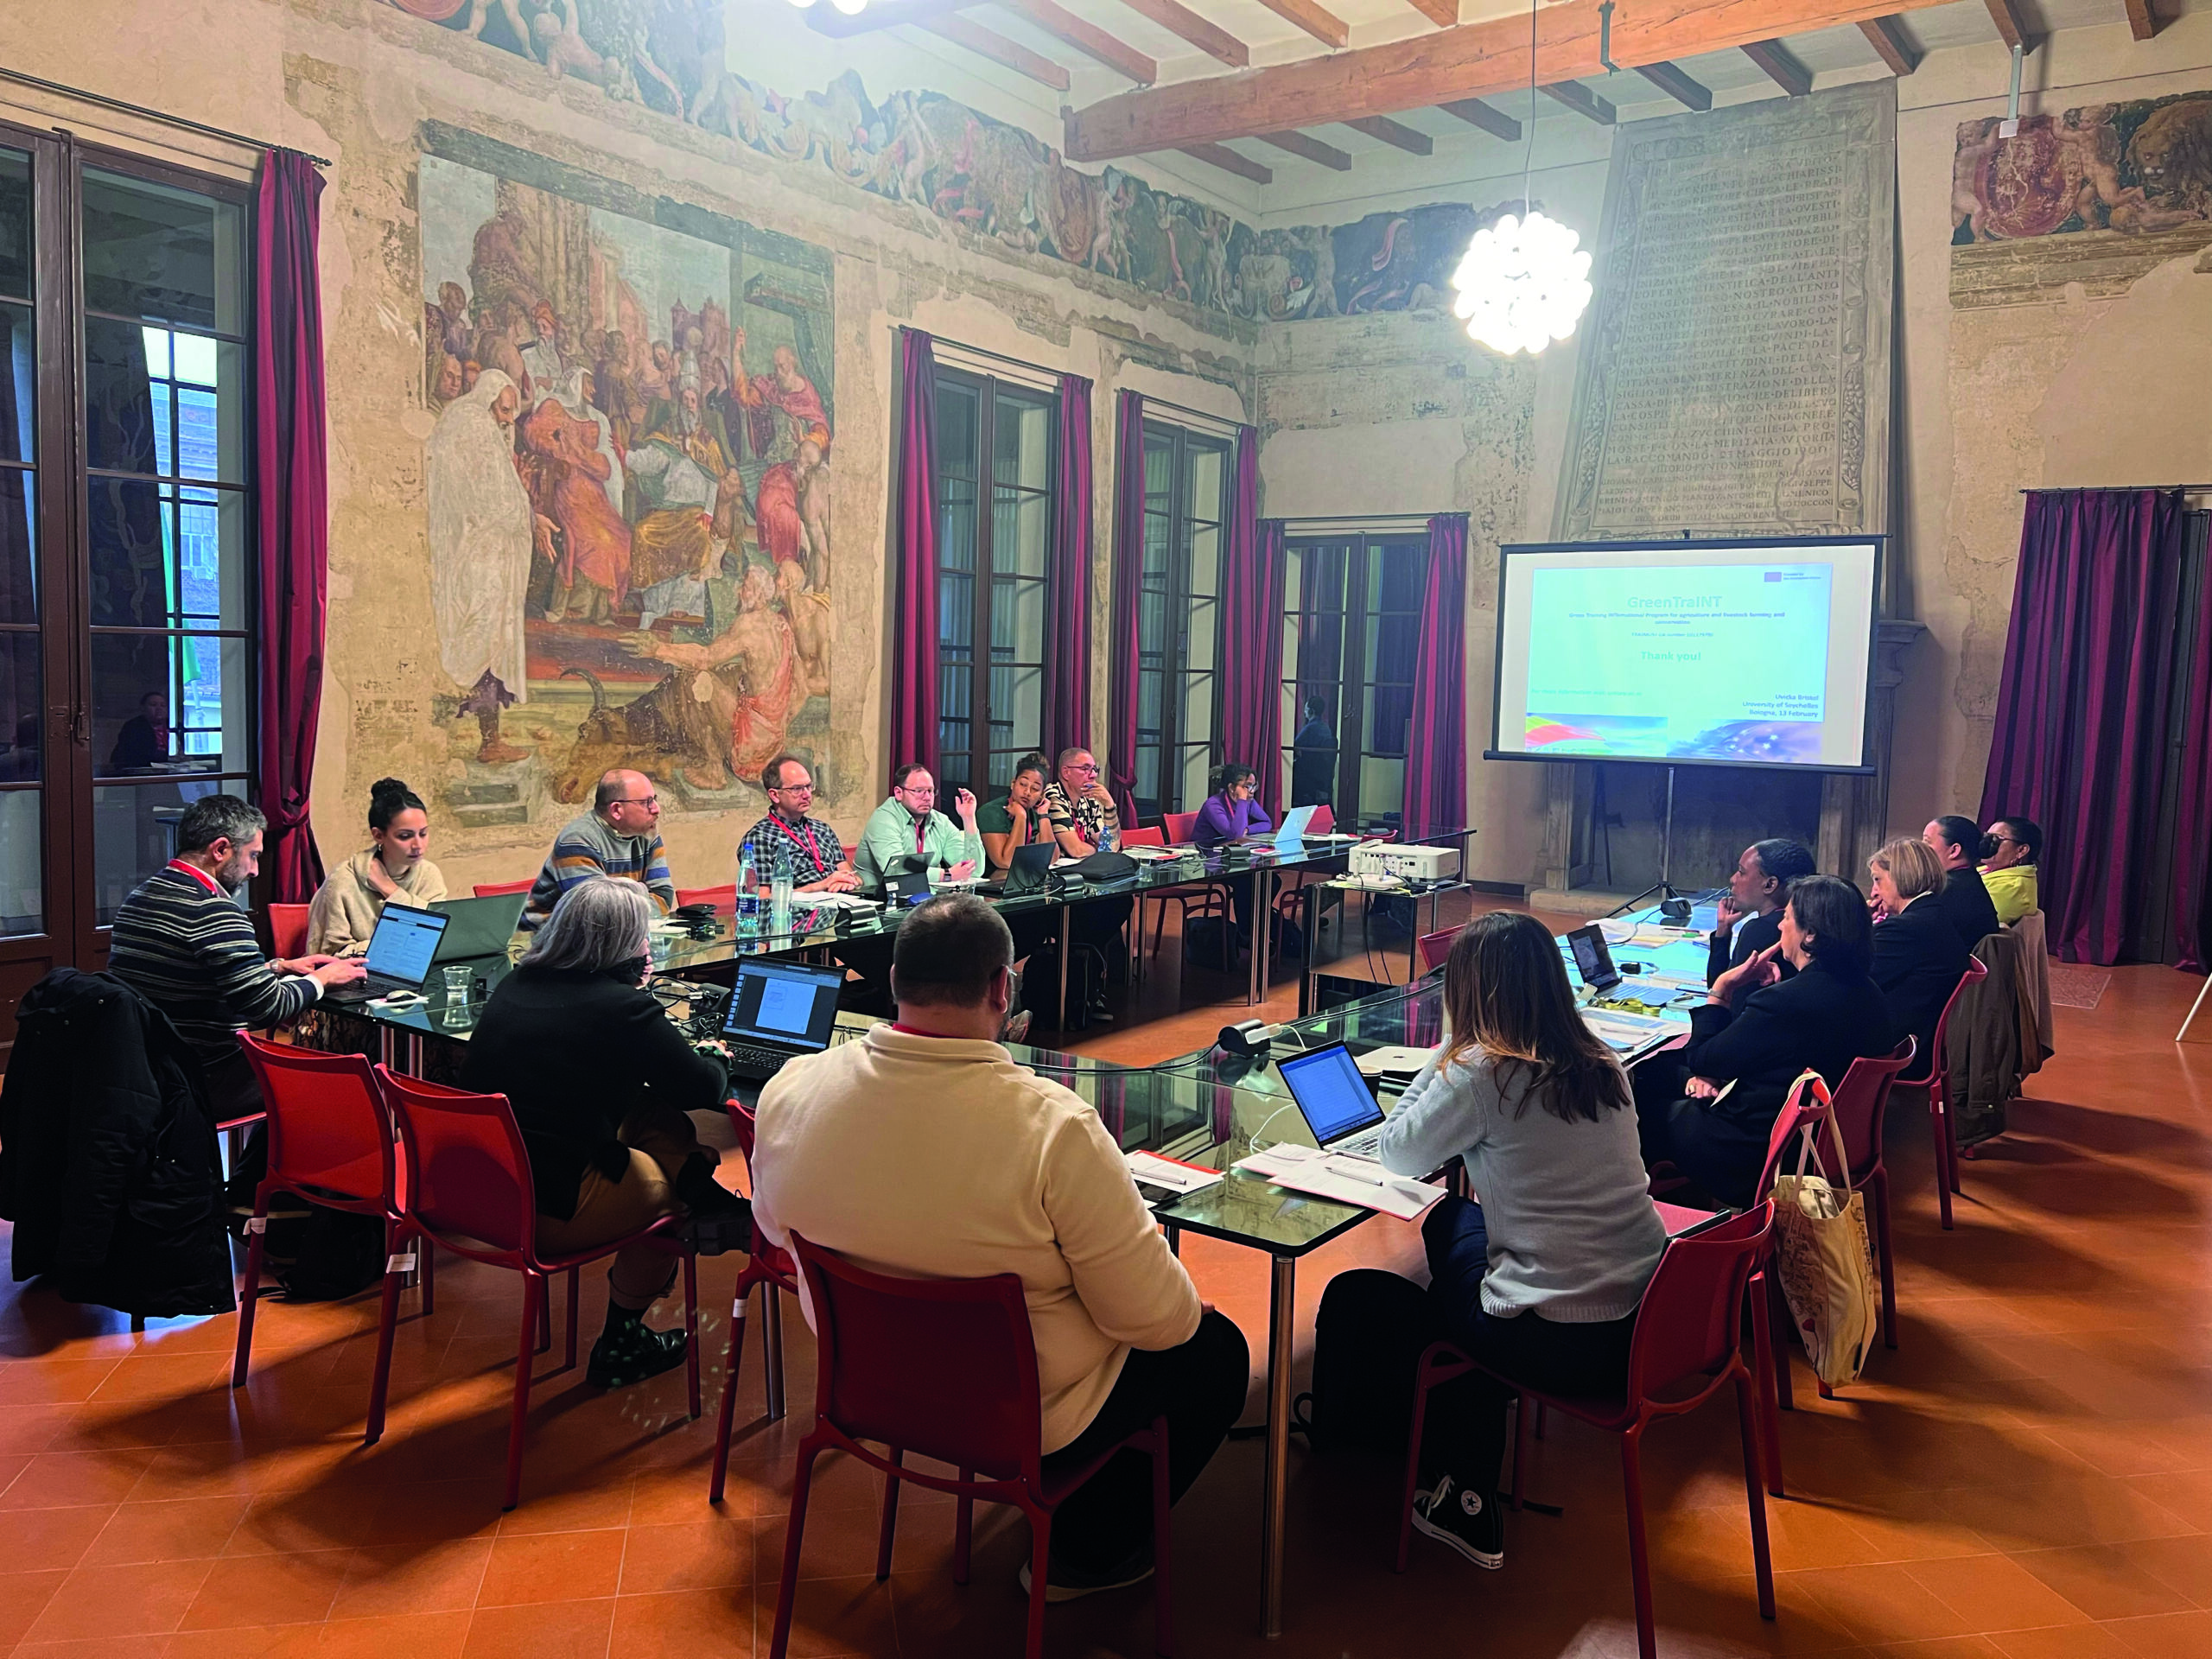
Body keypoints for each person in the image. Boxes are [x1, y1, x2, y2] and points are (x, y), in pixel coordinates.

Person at [750, 895, 1249, 1598]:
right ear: (1002, 988)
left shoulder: (794, 1086)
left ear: (893, 980)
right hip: (1026, 1418)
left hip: (864, 1387)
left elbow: (773, 1232)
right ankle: (1087, 1552)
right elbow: (1156, 1322)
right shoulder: (1054, 1126)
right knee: (1216, 1353)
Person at [1376, 911, 1665, 1569]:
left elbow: (1396, 1152)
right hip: (1642, 1323)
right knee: (1466, 1234)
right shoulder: (1602, 1059)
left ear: (1470, 993)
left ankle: (1462, 1484)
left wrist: (1451, 1051)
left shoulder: (1483, 1073)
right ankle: (1461, 1465)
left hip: (1557, 1341)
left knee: (1448, 1223)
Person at [461, 879, 753, 1389]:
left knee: (648, 1112)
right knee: (675, 1196)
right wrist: (715, 1056)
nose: (648, 946)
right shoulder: (620, 1007)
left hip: (485, 1185)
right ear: (622, 946)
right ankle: (622, 1340)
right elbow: (696, 1086)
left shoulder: (514, 985)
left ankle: (707, 1194)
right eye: (643, 936)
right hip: (552, 1205)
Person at [1635, 874, 1901, 1210]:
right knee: (1670, 1073)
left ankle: (1662, 1217)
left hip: (1756, 1152)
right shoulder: (1869, 993)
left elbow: (1703, 1058)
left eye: (1787, 918)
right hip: (1827, 1145)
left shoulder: (1787, 1003)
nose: (1780, 927)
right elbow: (1773, 1049)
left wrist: (1722, 990)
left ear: (1810, 934)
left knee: (1641, 1097)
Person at [108, 794, 366, 1123]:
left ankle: (258, 1168)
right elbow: (268, 1008)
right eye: (253, 856)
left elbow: (192, 973)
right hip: (204, 1076)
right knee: (342, 1085)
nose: (256, 871)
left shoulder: (141, 896)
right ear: (220, 849)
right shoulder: (214, 911)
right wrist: (321, 980)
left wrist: (277, 967)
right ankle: (277, 1173)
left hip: (144, 1068)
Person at [306, 778, 450, 957]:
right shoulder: (343, 881)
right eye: (405, 836)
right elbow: (327, 954)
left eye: (423, 833)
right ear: (378, 835)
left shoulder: (429, 874)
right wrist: (388, 947)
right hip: (355, 977)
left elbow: (437, 936)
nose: (418, 845)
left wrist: (392, 891)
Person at [520, 768, 677, 931]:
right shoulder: (578, 839)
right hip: (547, 941)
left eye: (655, 800)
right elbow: (595, 914)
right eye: (646, 802)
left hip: (614, 936)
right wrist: (641, 897)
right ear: (616, 810)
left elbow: (663, 897)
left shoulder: (647, 835)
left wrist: (620, 905)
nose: (656, 809)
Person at [1869, 836, 1971, 1082]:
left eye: (1877, 880)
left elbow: (1850, 979)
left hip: (1896, 1046)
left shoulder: (1905, 929)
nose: (1873, 891)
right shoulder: (1934, 914)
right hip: (1918, 1036)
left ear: (1900, 877)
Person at [742, 753, 861, 893]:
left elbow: (850, 875)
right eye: (796, 789)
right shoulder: (759, 838)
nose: (807, 794)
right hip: (797, 912)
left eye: (808, 786)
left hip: (837, 905)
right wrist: (821, 885)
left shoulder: (822, 830)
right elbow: (762, 899)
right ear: (774, 795)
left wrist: (850, 882)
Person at [855, 764, 982, 893]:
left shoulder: (940, 821)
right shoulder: (883, 819)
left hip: (923, 898)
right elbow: (897, 869)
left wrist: (969, 819)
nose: (927, 797)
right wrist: (946, 875)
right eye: (919, 791)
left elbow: (974, 871)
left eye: (930, 791)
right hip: (880, 899)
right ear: (899, 793)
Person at [1707, 838, 1815, 985]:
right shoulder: (1809, 922)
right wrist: (1724, 927)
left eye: (1741, 872)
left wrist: (1722, 935)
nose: (1733, 879)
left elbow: (1721, 991)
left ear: (1770, 884)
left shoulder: (1760, 930)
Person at [1192, 762, 1273, 944]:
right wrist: (1243, 803)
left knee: (1272, 881)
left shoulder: (1247, 802)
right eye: (1247, 787)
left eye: (1254, 786)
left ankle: (1258, 923)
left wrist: (1247, 829)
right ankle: (1247, 932)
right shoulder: (1213, 805)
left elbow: (1266, 822)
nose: (1251, 791)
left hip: (1233, 856)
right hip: (1210, 862)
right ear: (1231, 788)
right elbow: (1234, 833)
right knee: (1246, 882)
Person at [1924, 815, 2003, 950]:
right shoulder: (1966, 879)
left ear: (1954, 850)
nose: (1920, 849)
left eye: (1927, 842)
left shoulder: (1949, 890)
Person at [977, 752, 1053, 874]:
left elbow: (1052, 858)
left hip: (1026, 879)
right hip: (993, 883)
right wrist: (1021, 817)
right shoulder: (991, 812)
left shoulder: (1035, 813)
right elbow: (1007, 862)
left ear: (1042, 795)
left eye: (1035, 789)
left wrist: (1044, 815)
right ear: (1013, 784)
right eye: (1023, 784)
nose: (1027, 792)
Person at [1042, 748, 1122, 858]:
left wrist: (1110, 805)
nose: (1093, 775)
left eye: (1094, 769)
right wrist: (1101, 851)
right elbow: (1076, 850)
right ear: (1066, 772)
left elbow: (1112, 845)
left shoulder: (1089, 800)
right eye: (1085, 769)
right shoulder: (1053, 796)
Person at [1980, 813, 2042, 925]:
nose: (1987, 843)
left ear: (2021, 851)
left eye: (1996, 839)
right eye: (1987, 837)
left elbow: (1974, 921)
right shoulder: (1991, 869)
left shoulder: (2014, 888)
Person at [1290, 697, 1336, 810]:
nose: (1304, 712)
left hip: (1309, 776)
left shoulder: (1311, 728)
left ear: (1311, 711)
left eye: (1306, 709)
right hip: (1322, 777)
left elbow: (1295, 745)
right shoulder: (1326, 728)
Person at [109, 691, 171, 771]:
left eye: (163, 705)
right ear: (143, 708)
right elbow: (136, 756)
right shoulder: (133, 727)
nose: (159, 708)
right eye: (153, 705)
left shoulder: (175, 726)